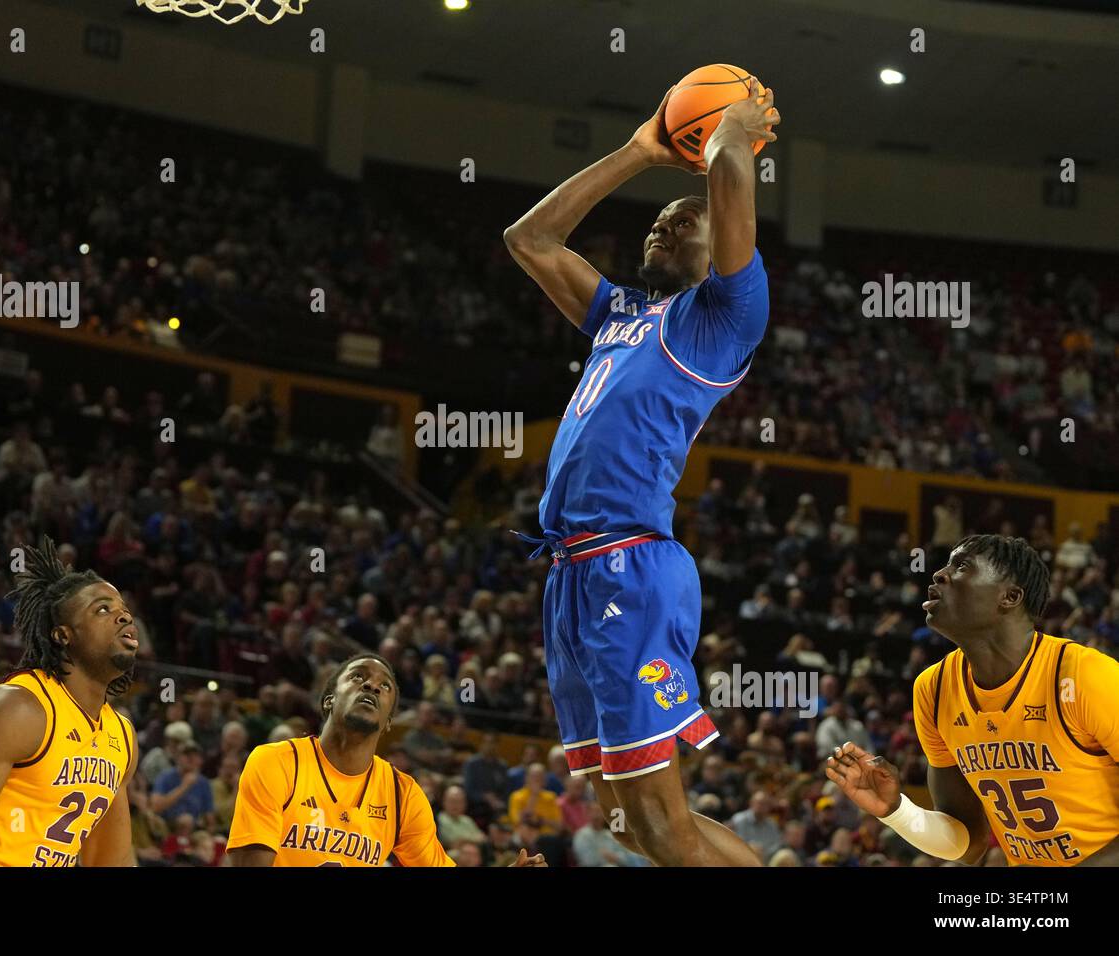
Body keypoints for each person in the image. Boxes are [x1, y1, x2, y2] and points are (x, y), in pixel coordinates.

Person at [503, 77, 779, 866]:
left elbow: (727, 171)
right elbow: (529, 241)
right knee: (628, 820)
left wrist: (732, 128)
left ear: (716, 246)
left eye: (684, 221)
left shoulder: (724, 318)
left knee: (658, 822)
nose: (667, 225)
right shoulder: (620, 313)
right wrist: (636, 152)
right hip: (570, 573)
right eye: (660, 220)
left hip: (629, 564)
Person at [827, 535, 1119, 866]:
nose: (939, 574)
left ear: (1009, 596)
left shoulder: (1083, 676)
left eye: (962, 565)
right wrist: (898, 811)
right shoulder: (934, 690)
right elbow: (969, 843)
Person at [0, 537, 139, 866]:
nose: (123, 618)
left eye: (125, 612)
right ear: (62, 635)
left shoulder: (122, 738)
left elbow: (112, 861)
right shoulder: (21, 709)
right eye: (103, 609)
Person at [226, 653, 544, 867]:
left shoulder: (402, 793)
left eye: (385, 686)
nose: (372, 685)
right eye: (357, 677)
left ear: (389, 721)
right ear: (329, 700)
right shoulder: (276, 762)